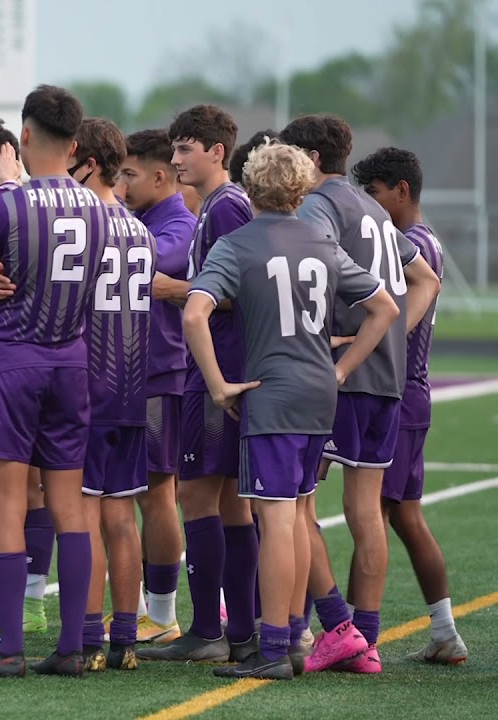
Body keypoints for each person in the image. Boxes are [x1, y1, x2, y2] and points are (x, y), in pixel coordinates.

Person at [185, 140, 399, 679]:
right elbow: (385, 307)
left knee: (276, 519)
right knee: (301, 512)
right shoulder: (322, 241)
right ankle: (296, 639)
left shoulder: (235, 244)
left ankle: (277, 646)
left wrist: (217, 385)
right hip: (318, 392)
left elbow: (194, 315)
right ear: (301, 188)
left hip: (272, 392)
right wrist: (342, 369)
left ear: (250, 186)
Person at [280, 113, 441, 675]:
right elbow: (426, 280)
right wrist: (389, 336)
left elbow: (311, 266)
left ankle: (330, 626)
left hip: (340, 377)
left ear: (312, 161)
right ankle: (365, 641)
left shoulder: (322, 205)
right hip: (387, 379)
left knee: (293, 501)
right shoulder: (372, 209)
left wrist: (339, 337)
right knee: (365, 510)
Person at [0, 85, 110, 679]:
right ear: (75, 144)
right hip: (70, 362)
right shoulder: (100, 207)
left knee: (5, 506)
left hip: (13, 361)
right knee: (69, 506)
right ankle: (73, 648)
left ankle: (10, 650)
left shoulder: (4, 205)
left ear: (24, 137)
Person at [139, 104, 256, 664]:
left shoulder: (226, 208)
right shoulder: (217, 206)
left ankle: (209, 629)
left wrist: (177, 290)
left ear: (217, 152)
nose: (178, 158)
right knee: (232, 503)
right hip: (225, 366)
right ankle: (239, 629)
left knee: (198, 496)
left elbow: (236, 293)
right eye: (175, 148)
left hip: (218, 365)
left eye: (187, 148)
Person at [351, 146, 466, 664]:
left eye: (374, 194)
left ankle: (357, 635)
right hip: (411, 392)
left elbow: (395, 313)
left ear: (401, 190)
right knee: (399, 516)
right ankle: (444, 632)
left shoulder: (409, 244)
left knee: (371, 512)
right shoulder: (423, 240)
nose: (371, 206)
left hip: (401, 390)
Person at [69, 117, 154, 671]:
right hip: (131, 381)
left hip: (87, 383)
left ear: (87, 162)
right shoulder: (138, 228)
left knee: (84, 514)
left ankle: (89, 638)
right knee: (122, 515)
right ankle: (125, 636)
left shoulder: (79, 220)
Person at [118, 128, 196, 643]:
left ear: (160, 176)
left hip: (158, 373)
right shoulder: (145, 217)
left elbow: (147, 260)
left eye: (127, 174)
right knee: (129, 490)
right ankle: (146, 607)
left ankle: (164, 615)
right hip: (125, 371)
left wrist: (105, 214)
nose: (120, 184)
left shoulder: (179, 223)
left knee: (158, 491)